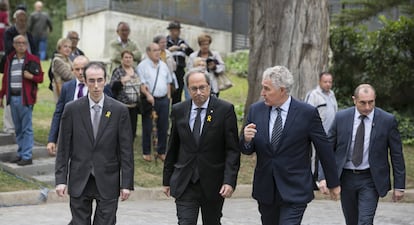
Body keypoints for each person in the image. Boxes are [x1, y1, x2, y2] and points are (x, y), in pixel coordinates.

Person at [240, 66, 340, 225]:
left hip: (295, 189)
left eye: (267, 89)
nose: (262, 93)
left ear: (282, 90)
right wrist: (246, 139)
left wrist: (333, 182)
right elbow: (247, 150)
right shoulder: (256, 111)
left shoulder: (306, 113)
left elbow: (324, 148)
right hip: (266, 189)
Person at [55, 62, 134, 225]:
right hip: (80, 177)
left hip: (108, 178)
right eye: (91, 81)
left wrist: (126, 183)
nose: (96, 86)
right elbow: (63, 147)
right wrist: (61, 179)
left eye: (100, 80)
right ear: (84, 80)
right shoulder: (72, 109)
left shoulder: (119, 110)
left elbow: (126, 150)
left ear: (105, 80)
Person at [318, 84, 406, 225]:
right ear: (354, 100)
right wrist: (323, 176)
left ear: (375, 99)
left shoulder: (387, 120)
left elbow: (397, 155)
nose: (367, 107)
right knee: (351, 221)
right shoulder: (341, 117)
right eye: (362, 103)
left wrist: (399, 186)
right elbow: (327, 149)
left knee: (365, 221)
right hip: (346, 178)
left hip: (370, 178)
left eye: (371, 102)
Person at [163, 67, 240, 225]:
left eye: (202, 87)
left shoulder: (224, 110)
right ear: (188, 89)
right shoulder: (179, 110)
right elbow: (173, 147)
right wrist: (167, 179)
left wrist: (229, 180)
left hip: (213, 183)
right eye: (194, 88)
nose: (198, 92)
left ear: (209, 87)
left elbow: (232, 150)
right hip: (185, 181)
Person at [0, 35, 43, 166]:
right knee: (18, 128)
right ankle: (20, 153)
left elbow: (40, 78)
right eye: (18, 43)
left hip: (26, 99)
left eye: (23, 43)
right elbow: (5, 79)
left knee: (26, 128)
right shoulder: (10, 59)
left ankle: (27, 156)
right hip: (12, 98)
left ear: (26, 45)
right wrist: (1, 96)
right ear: (13, 44)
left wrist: (31, 76)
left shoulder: (32, 59)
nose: (20, 45)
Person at [46, 55, 89, 156]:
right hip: (70, 135)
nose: (80, 72)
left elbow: (108, 113)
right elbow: (58, 113)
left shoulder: (99, 88)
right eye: (77, 69)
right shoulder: (67, 87)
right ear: (72, 70)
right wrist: (52, 139)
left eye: (83, 68)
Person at [137, 43, 172, 162]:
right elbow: (142, 84)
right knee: (148, 126)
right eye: (154, 50)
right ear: (148, 52)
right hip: (150, 99)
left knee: (164, 125)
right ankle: (146, 152)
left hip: (163, 99)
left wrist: (168, 97)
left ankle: (162, 151)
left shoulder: (163, 65)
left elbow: (168, 82)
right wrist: (148, 95)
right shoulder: (142, 66)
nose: (157, 52)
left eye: (159, 50)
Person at [304, 72, 338, 187]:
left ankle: (323, 179)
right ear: (320, 82)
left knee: (327, 156)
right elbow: (307, 113)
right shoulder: (314, 95)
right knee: (315, 156)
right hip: (317, 132)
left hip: (331, 132)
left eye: (330, 82)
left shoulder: (332, 95)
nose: (328, 84)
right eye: (325, 82)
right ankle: (313, 180)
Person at [110, 50, 141, 141]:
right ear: (122, 60)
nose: (128, 60)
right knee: (121, 131)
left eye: (130, 57)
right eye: (126, 57)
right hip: (122, 106)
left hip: (134, 106)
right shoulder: (118, 71)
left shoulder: (135, 71)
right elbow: (112, 87)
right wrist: (121, 82)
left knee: (132, 131)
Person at [166, 20, 193, 104]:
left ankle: (175, 113)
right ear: (170, 31)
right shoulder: (165, 41)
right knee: (167, 92)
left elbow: (192, 53)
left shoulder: (182, 42)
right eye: (173, 30)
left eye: (177, 30)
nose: (175, 32)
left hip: (180, 70)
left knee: (178, 93)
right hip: (168, 70)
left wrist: (186, 48)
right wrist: (169, 49)